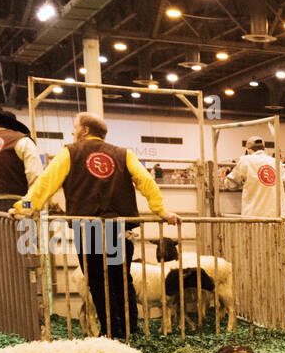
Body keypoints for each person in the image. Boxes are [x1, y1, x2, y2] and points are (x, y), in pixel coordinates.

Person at [13, 111, 178, 339]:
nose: (73, 132)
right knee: (120, 278)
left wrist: (23, 206)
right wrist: (161, 211)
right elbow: (147, 182)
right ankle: (129, 329)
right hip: (118, 228)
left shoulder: (69, 153)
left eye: (75, 127)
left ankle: (111, 331)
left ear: (85, 130)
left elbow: (44, 185)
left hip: (88, 229)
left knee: (99, 282)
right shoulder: (124, 154)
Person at [0, 109, 41, 211]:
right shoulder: (23, 141)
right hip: (15, 202)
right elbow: (35, 175)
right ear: (15, 128)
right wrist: (33, 206)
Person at [224, 136, 285, 217]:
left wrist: (241, 183)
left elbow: (230, 183)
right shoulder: (276, 162)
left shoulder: (245, 160)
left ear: (248, 150)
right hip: (277, 215)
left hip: (255, 215)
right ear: (264, 149)